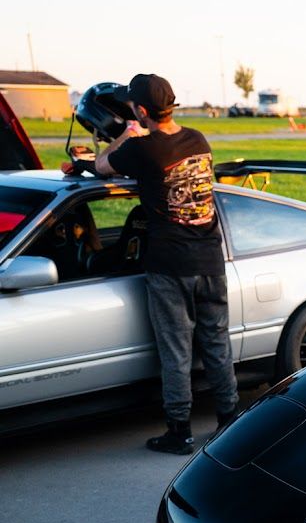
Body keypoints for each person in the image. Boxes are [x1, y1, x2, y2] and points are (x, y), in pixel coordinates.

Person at [94, 74, 238, 454]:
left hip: (170, 266)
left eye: (132, 107)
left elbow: (101, 165)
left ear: (141, 111)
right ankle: (229, 422)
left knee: (176, 351)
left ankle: (179, 432)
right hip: (211, 261)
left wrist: (127, 134)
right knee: (217, 344)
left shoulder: (142, 149)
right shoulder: (198, 139)